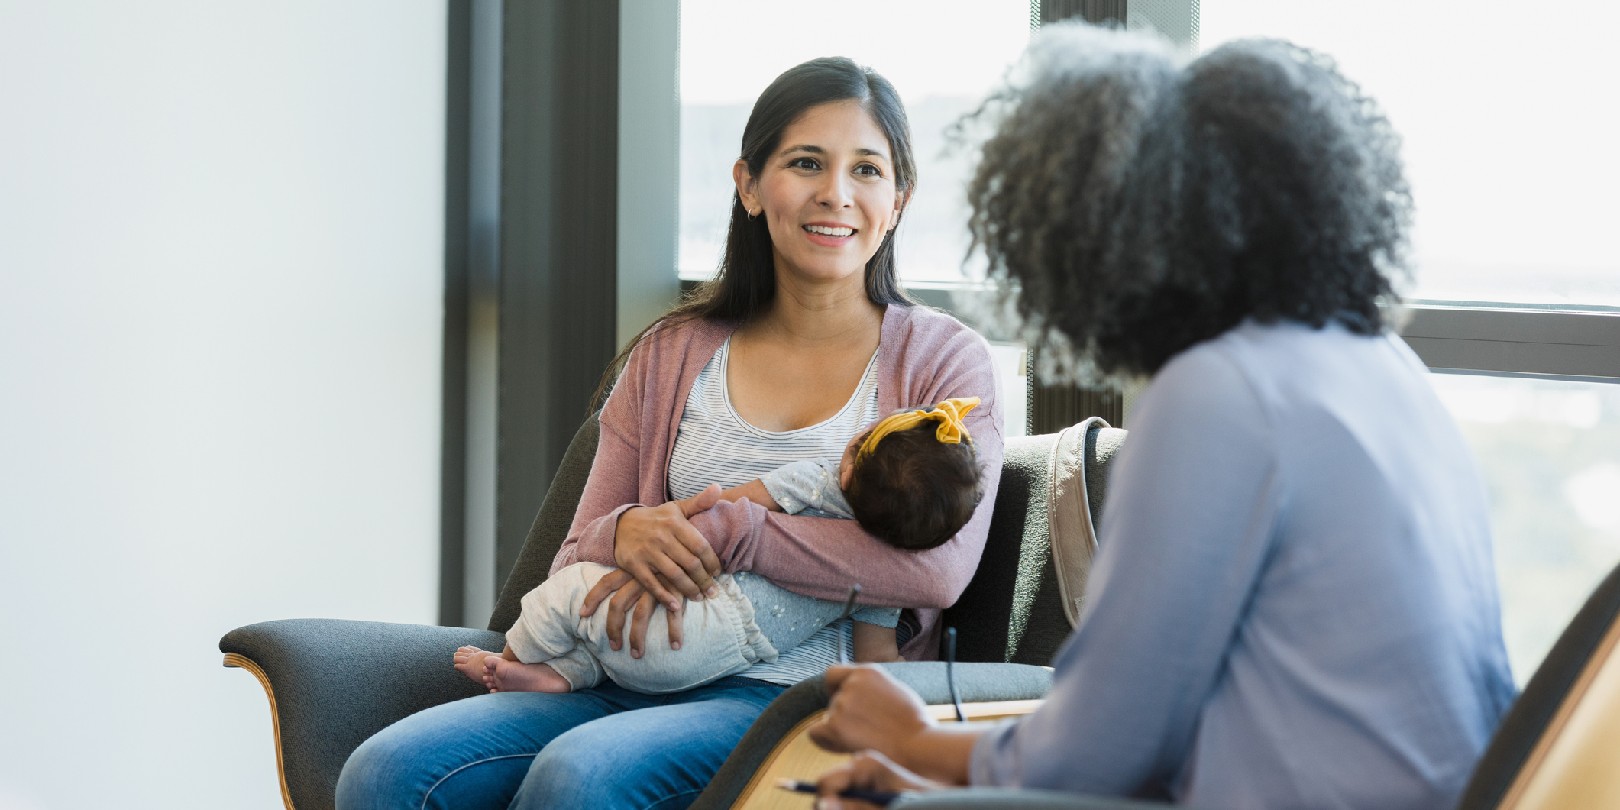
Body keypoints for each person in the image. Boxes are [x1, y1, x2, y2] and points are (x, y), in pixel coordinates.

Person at [807, 23, 1517, 810]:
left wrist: (912, 739)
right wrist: (932, 767)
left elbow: (1103, 746)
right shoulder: (1381, 366)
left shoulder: (1220, 393)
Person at [335, 55, 1004, 810]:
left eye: (867, 171)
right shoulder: (672, 352)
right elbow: (577, 548)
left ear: (900, 199)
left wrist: (740, 533)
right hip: (623, 670)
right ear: (749, 185)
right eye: (806, 162)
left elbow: (934, 572)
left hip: (793, 700)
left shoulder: (944, 361)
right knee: (385, 771)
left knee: (581, 777)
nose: (836, 195)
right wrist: (627, 534)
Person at [450, 398, 985, 694]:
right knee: (604, 647)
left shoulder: (813, 482)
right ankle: (561, 678)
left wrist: (646, 538)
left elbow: (718, 514)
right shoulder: (885, 584)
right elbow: (875, 661)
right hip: (722, 660)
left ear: (850, 458)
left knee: (570, 594)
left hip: (688, 618)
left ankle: (511, 657)